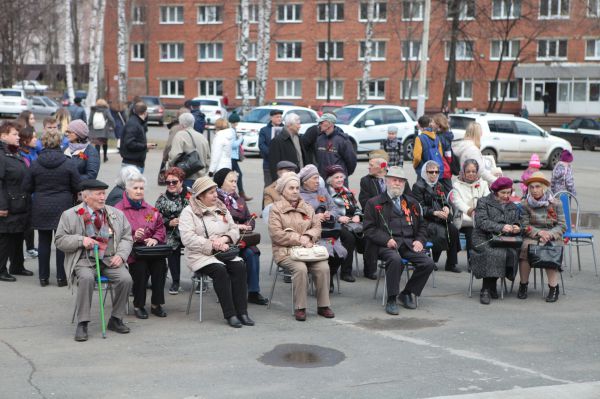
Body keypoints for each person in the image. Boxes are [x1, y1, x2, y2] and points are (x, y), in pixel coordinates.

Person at [55, 179, 133, 341]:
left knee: (126, 279)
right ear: (86, 197)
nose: (103, 197)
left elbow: (127, 237)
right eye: (98, 194)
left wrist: (121, 255)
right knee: (86, 278)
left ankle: (116, 319)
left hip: (110, 258)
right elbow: (60, 241)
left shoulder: (115, 213)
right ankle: (83, 322)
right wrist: (80, 240)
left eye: (104, 193)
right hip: (84, 260)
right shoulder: (70, 215)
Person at [178, 176, 254, 328]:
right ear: (200, 195)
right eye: (211, 193)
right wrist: (213, 244)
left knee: (239, 266)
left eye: (215, 191)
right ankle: (230, 314)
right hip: (200, 255)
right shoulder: (188, 212)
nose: (215, 195)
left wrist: (225, 239)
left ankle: (242, 312)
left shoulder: (222, 207)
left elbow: (234, 229)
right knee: (220, 270)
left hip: (223, 251)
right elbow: (187, 239)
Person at [363, 166, 435, 315]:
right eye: (394, 180)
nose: (397, 183)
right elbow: (369, 229)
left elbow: (422, 225)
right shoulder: (374, 203)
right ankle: (391, 298)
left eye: (401, 181)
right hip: (385, 246)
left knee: (428, 263)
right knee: (395, 259)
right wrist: (386, 240)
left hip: (408, 244)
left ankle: (407, 292)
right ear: (387, 181)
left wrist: (420, 240)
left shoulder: (412, 203)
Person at [268, 172, 335, 321]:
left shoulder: (307, 206)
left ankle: (323, 306)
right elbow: (276, 234)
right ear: (283, 190)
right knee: (300, 268)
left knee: (323, 267)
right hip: (285, 252)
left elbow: (317, 227)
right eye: (291, 188)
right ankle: (300, 307)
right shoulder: (275, 209)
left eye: (297, 188)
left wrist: (308, 236)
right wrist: (299, 239)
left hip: (308, 250)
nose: (295, 191)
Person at [24, 128, 80, 287]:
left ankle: (43, 277)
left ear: (44, 142)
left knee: (43, 241)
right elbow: (77, 185)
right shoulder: (68, 163)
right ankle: (61, 277)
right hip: (63, 205)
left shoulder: (35, 164)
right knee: (61, 242)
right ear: (59, 143)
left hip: (41, 204)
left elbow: (27, 186)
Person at [115, 174, 168, 319]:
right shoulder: (118, 210)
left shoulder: (151, 209)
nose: (139, 191)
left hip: (149, 250)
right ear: (127, 189)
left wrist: (155, 239)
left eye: (141, 188)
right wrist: (133, 237)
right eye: (135, 188)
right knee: (140, 268)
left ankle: (157, 304)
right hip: (130, 251)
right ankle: (139, 305)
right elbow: (114, 235)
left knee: (160, 266)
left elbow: (160, 228)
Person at [213, 168, 268, 305]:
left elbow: (250, 218)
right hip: (223, 240)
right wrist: (237, 226)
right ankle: (232, 291)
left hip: (242, 239)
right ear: (220, 183)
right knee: (241, 254)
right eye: (231, 181)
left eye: (235, 181)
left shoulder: (239, 199)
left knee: (252, 252)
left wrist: (249, 224)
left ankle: (253, 292)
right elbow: (217, 222)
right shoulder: (215, 199)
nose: (234, 184)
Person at [470, 177, 521, 305]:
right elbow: (481, 222)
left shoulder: (512, 206)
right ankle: (486, 289)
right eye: (503, 193)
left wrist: (516, 227)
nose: (506, 195)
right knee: (493, 252)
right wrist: (501, 227)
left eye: (509, 192)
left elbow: (517, 221)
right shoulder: (483, 202)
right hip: (482, 237)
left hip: (503, 238)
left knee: (509, 253)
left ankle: (491, 286)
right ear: (495, 191)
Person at [298, 164, 347, 293]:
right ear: (305, 181)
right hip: (309, 234)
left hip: (327, 231)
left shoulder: (322, 191)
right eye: (314, 178)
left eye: (317, 178)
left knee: (340, 254)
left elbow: (334, 208)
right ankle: (321, 279)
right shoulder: (298, 195)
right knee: (325, 253)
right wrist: (314, 216)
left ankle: (328, 277)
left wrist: (329, 214)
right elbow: (297, 217)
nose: (317, 181)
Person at [518, 172, 566, 302]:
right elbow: (524, 225)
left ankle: (553, 288)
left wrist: (549, 234)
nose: (534, 190)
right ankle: (523, 285)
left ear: (544, 187)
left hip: (552, 235)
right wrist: (539, 233)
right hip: (533, 234)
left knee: (550, 250)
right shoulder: (525, 204)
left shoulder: (556, 203)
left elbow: (562, 226)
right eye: (531, 187)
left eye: (538, 186)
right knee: (525, 248)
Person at [412, 160, 461, 273]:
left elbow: (444, 201)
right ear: (425, 172)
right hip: (425, 219)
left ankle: (451, 263)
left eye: (436, 172)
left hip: (439, 217)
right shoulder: (418, 186)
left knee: (453, 230)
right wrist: (434, 212)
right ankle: (431, 261)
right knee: (438, 230)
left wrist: (447, 208)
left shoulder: (439, 185)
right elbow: (418, 207)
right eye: (431, 172)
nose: (434, 174)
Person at [0, 121, 34, 282]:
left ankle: (17, 265)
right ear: (3, 136)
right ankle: (1, 269)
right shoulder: (1, 155)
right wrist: (2, 205)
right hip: (8, 203)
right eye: (14, 134)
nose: (18, 137)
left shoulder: (14, 152)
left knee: (18, 235)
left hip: (20, 202)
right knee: (5, 237)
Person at [155, 167, 190, 295]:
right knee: (171, 245)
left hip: (190, 231)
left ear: (181, 181)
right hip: (172, 232)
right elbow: (154, 218)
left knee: (200, 243)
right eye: (168, 182)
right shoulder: (162, 199)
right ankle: (176, 281)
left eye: (174, 182)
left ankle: (199, 277)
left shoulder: (191, 196)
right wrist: (168, 222)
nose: (170, 185)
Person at [325, 164, 363, 283]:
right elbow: (324, 211)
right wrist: (339, 218)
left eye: (342, 177)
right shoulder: (326, 193)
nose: (340, 180)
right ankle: (346, 272)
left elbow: (356, 208)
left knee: (367, 234)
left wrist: (357, 215)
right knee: (349, 238)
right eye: (336, 177)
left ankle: (369, 269)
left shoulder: (347, 192)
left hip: (351, 222)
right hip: (334, 224)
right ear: (330, 180)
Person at [449, 159, 490, 262]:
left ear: (477, 172)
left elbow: (487, 199)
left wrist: (479, 212)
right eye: (468, 171)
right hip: (464, 219)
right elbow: (458, 202)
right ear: (463, 172)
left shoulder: (483, 184)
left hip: (480, 217)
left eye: (473, 171)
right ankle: (471, 262)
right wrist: (471, 211)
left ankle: (485, 260)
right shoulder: (457, 185)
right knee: (471, 232)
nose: (471, 174)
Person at [359, 154, 390, 279]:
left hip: (393, 217)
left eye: (371, 165)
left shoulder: (394, 178)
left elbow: (407, 198)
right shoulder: (366, 180)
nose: (368, 167)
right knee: (372, 233)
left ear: (382, 167)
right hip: (374, 216)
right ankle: (370, 269)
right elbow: (364, 200)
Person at [168, 112, 210, 188]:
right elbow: (208, 159)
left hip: (186, 177)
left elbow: (174, 155)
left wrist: (170, 167)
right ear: (193, 123)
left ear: (182, 124)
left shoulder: (180, 135)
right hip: (201, 179)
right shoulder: (202, 137)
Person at [315, 113, 357, 181]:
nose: (319, 125)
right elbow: (317, 159)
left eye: (321, 122)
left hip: (338, 180)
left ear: (329, 124)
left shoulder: (342, 140)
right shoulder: (319, 139)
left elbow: (351, 161)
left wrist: (343, 174)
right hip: (323, 180)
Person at [268, 113, 306, 182]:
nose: (299, 126)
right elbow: (274, 165)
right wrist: (277, 181)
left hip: (299, 178)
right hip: (286, 181)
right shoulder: (277, 141)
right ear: (289, 125)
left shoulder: (298, 138)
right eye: (297, 124)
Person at [120, 101, 156, 173]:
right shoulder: (133, 124)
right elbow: (130, 143)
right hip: (131, 164)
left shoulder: (139, 123)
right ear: (145, 112)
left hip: (136, 163)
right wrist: (145, 146)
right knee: (130, 184)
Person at [228, 112, 251, 201]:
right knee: (238, 175)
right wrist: (241, 138)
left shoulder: (232, 130)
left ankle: (237, 194)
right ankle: (240, 194)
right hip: (232, 157)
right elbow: (233, 145)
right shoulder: (232, 131)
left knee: (232, 175)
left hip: (232, 157)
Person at [258, 109, 283, 186]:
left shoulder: (285, 129)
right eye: (277, 117)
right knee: (269, 186)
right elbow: (261, 145)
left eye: (280, 117)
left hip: (282, 164)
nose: (279, 119)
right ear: (271, 118)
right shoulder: (264, 130)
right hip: (268, 163)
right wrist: (271, 153)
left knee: (281, 186)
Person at [88, 98, 115, 163]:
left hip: (95, 130)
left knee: (97, 144)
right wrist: (112, 126)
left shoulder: (93, 110)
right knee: (105, 143)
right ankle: (105, 157)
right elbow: (111, 119)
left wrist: (90, 127)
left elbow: (90, 120)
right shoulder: (106, 110)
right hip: (104, 130)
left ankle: (98, 158)